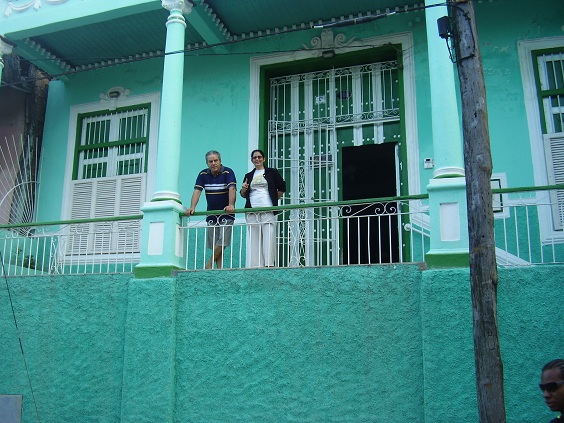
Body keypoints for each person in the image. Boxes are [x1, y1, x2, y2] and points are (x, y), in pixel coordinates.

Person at [185, 150, 236, 269]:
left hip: (226, 213)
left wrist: (231, 204)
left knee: (223, 241)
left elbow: (232, 189)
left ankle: (209, 264)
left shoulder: (228, 172)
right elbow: (197, 191)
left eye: (215, 160)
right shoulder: (203, 174)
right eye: (210, 161)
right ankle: (219, 269)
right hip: (211, 214)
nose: (213, 163)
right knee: (215, 244)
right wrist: (192, 207)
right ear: (207, 163)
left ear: (220, 161)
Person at [239, 149, 286, 267]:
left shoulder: (272, 172)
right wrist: (244, 189)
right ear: (252, 160)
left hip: (268, 209)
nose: (257, 159)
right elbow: (243, 194)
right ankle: (256, 265)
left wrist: (274, 199)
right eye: (254, 158)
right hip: (252, 210)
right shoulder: (248, 176)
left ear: (264, 159)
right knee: (254, 238)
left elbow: (282, 187)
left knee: (269, 235)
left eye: (259, 157)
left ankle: (269, 264)